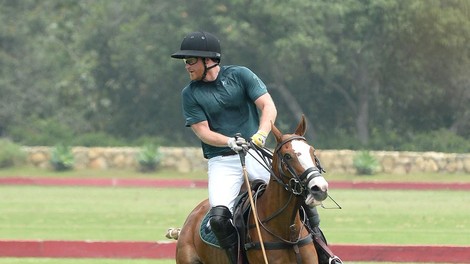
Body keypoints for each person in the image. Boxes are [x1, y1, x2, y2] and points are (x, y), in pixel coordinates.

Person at [171, 31, 327, 264]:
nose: (187, 66)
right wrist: (229, 141)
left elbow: (268, 106)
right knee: (219, 217)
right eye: (186, 62)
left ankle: (325, 254)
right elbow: (202, 131)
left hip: (255, 152)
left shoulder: (241, 75)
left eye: (190, 60)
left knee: (300, 195)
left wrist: (261, 134)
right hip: (222, 161)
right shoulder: (190, 94)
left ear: (209, 60)